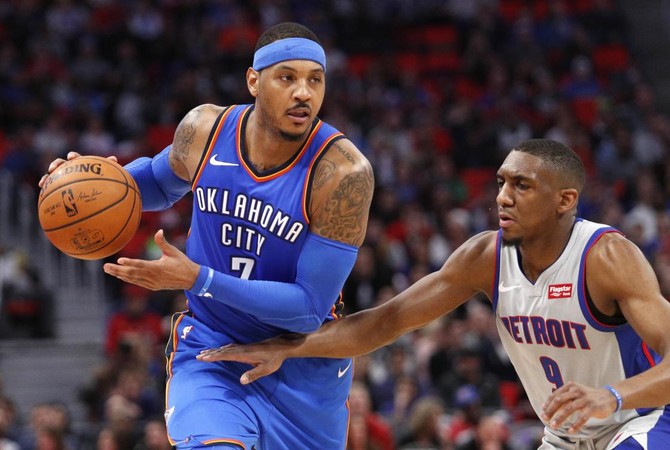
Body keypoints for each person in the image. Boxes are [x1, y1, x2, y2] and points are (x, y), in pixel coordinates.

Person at [199, 139, 670, 449]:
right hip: (566, 436)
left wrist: (611, 396)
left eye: (522, 186)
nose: (502, 197)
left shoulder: (605, 257)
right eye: (501, 182)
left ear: (565, 200)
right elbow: (387, 321)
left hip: (640, 420)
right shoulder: (485, 257)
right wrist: (289, 348)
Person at [40, 22, 374, 450]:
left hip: (303, 362)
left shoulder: (344, 173)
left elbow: (309, 308)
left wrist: (200, 279)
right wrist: (85, 185)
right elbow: (157, 182)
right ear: (253, 81)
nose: (303, 93)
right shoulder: (205, 129)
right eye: (287, 77)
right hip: (212, 349)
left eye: (315, 80)